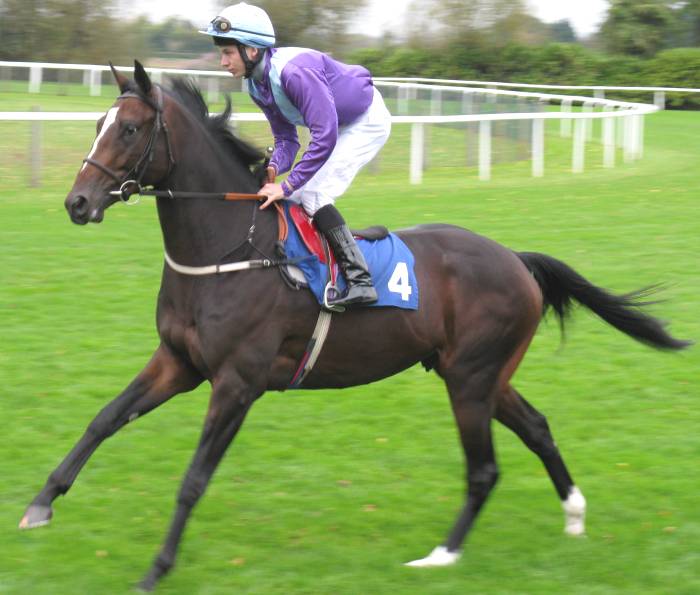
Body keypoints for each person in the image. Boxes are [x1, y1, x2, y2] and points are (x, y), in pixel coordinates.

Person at [201, 2, 392, 307]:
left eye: (227, 53)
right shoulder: (256, 85)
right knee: (298, 197)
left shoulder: (293, 74)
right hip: (338, 124)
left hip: (365, 121)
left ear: (251, 50)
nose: (223, 62)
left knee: (313, 195)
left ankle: (361, 281)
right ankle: (310, 267)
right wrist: (274, 169)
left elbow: (324, 136)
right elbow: (287, 140)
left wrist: (286, 185)